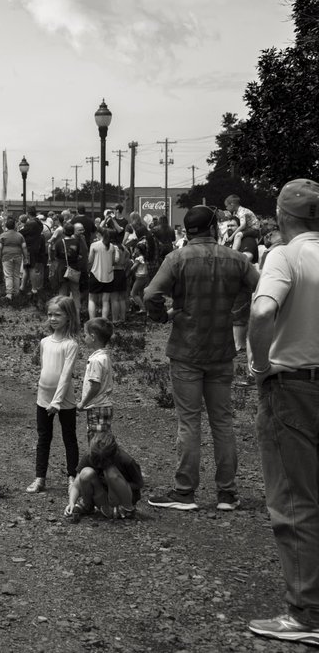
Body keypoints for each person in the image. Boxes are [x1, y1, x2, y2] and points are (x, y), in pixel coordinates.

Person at [144, 205, 260, 512]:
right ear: (213, 228)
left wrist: (163, 317)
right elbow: (261, 287)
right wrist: (240, 306)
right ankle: (227, 493)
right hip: (222, 349)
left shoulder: (177, 258)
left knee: (189, 422)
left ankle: (185, 492)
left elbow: (149, 294)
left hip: (186, 349)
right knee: (223, 422)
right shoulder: (235, 259)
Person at [247, 178, 319, 646]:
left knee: (295, 502)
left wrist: (259, 364)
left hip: (294, 384)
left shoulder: (285, 255)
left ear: (282, 215)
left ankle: (307, 614)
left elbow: (261, 312)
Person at [27, 295, 81, 493]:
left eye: (57, 314)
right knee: (43, 438)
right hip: (43, 398)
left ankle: (73, 477)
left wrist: (57, 401)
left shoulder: (71, 345)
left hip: (63, 399)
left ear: (68, 316)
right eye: (50, 314)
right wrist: (44, 396)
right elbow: (44, 369)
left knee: (69, 438)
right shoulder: (44, 342)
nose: (53, 318)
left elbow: (66, 375)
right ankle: (40, 478)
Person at [64, 431, 143, 523]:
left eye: (103, 463)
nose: (100, 465)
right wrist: (71, 503)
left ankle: (126, 510)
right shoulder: (90, 456)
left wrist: (113, 485)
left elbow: (139, 484)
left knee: (110, 473)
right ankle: (88, 506)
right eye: (97, 462)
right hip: (103, 497)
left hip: (123, 498)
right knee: (86, 473)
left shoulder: (126, 460)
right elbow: (77, 484)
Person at [79, 318, 116, 436]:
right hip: (103, 406)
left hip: (97, 407)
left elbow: (95, 386)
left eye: (85, 335)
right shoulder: (105, 357)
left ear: (93, 337)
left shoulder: (96, 360)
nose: (84, 337)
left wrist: (82, 403)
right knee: (102, 441)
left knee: (97, 443)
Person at [87, 228, 116, 320]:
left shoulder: (94, 245)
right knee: (106, 301)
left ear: (100, 234)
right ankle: (104, 321)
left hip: (96, 274)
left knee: (92, 299)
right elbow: (113, 262)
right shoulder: (112, 246)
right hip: (109, 276)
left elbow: (90, 260)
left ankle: (92, 320)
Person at [0, 217, 26, 300]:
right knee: (16, 275)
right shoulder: (20, 235)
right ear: (15, 226)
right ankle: (16, 293)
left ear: (6, 226)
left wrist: (0, 256)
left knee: (8, 275)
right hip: (18, 256)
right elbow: (24, 247)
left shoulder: (3, 235)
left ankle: (9, 294)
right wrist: (25, 257)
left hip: (6, 256)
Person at [226, 194, 260, 262]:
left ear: (232, 204)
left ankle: (232, 255)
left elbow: (242, 225)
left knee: (238, 235)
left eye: (227, 206)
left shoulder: (241, 211)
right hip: (250, 228)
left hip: (254, 229)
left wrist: (232, 236)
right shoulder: (237, 212)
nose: (226, 208)